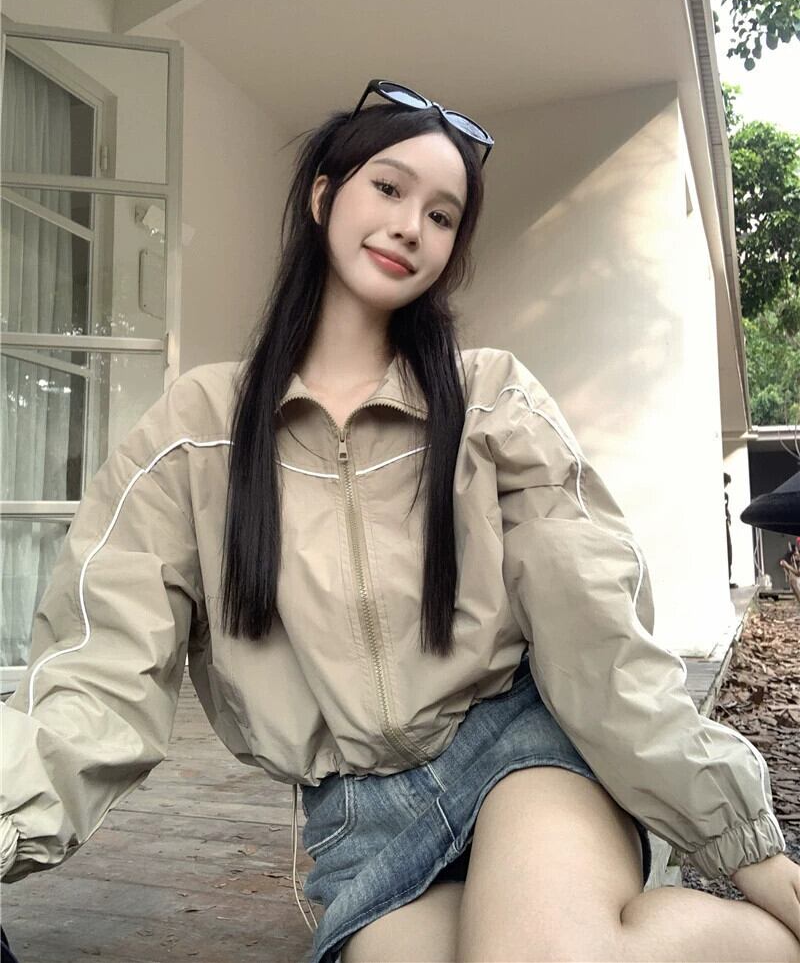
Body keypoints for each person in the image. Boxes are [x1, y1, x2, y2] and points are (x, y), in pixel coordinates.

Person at [2, 79, 799, 963]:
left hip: (519, 750)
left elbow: (597, 635)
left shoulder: (491, 399)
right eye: (388, 187)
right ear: (323, 196)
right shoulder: (196, 431)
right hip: (360, 820)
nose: (412, 226)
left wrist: (746, 846)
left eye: (443, 215)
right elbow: (98, 667)